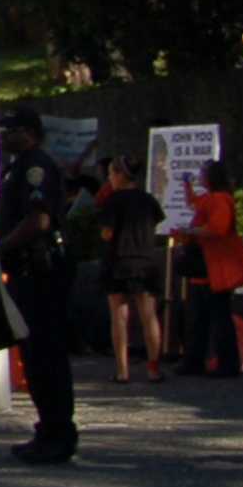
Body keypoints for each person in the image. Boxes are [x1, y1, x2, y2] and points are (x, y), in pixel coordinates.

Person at [0, 106, 78, 465]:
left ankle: (59, 434)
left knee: (46, 354)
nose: (2, 135)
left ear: (28, 132)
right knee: (33, 355)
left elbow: (38, 220)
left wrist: (2, 246)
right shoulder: (19, 167)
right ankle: (48, 429)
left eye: (9, 129)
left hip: (41, 269)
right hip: (26, 270)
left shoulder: (36, 167)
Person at [93, 156, 167, 384]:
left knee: (119, 315)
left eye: (111, 173)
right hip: (145, 261)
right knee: (149, 315)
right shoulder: (148, 199)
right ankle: (153, 369)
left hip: (120, 261)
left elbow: (107, 233)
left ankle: (123, 371)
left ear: (120, 174)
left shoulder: (113, 200)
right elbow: (154, 225)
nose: (109, 178)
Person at [180, 160, 243, 379]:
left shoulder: (219, 199)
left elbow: (217, 228)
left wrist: (191, 231)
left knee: (218, 318)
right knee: (201, 318)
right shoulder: (211, 198)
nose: (200, 175)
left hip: (215, 265)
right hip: (207, 266)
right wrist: (187, 187)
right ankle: (194, 360)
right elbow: (193, 204)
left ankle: (226, 363)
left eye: (204, 172)